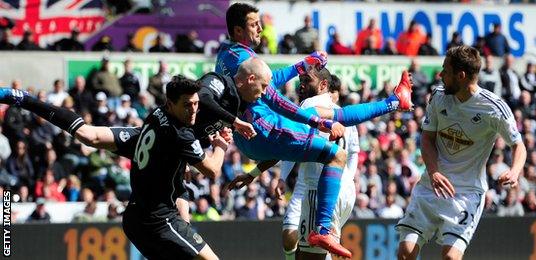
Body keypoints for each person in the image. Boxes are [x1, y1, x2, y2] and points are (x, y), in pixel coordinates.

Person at [208, 4, 413, 258]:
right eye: (254, 24)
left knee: (329, 120)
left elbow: (271, 88)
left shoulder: (227, 55)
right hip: (268, 134)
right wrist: (319, 123)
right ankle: (323, 228)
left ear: (325, 85)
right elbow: (277, 101)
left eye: (307, 81)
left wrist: (254, 173)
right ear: (238, 30)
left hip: (253, 139)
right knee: (334, 146)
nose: (261, 28)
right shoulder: (248, 63)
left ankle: (394, 101)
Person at [0, 77, 231, 260]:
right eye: (187, 105)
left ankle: (24, 99)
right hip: (156, 219)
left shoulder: (160, 112)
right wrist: (221, 146)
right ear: (171, 103)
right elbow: (212, 170)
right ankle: (25, 99)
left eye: (196, 104)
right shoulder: (182, 135)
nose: (193, 110)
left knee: (88, 134)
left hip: (137, 202)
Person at [396, 46, 527, 260]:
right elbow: (427, 138)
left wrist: (515, 171)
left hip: (466, 193)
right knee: (405, 253)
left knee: (450, 258)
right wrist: (434, 172)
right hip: (431, 187)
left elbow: (518, 145)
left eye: (445, 71)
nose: (440, 75)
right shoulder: (438, 96)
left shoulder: (494, 108)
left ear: (461, 75)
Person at [276, 70, 359, 260]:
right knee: (319, 251)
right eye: (300, 81)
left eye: (307, 81)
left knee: (310, 256)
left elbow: (288, 145)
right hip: (342, 188)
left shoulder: (308, 106)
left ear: (323, 86)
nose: (301, 85)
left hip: (319, 187)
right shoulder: (345, 115)